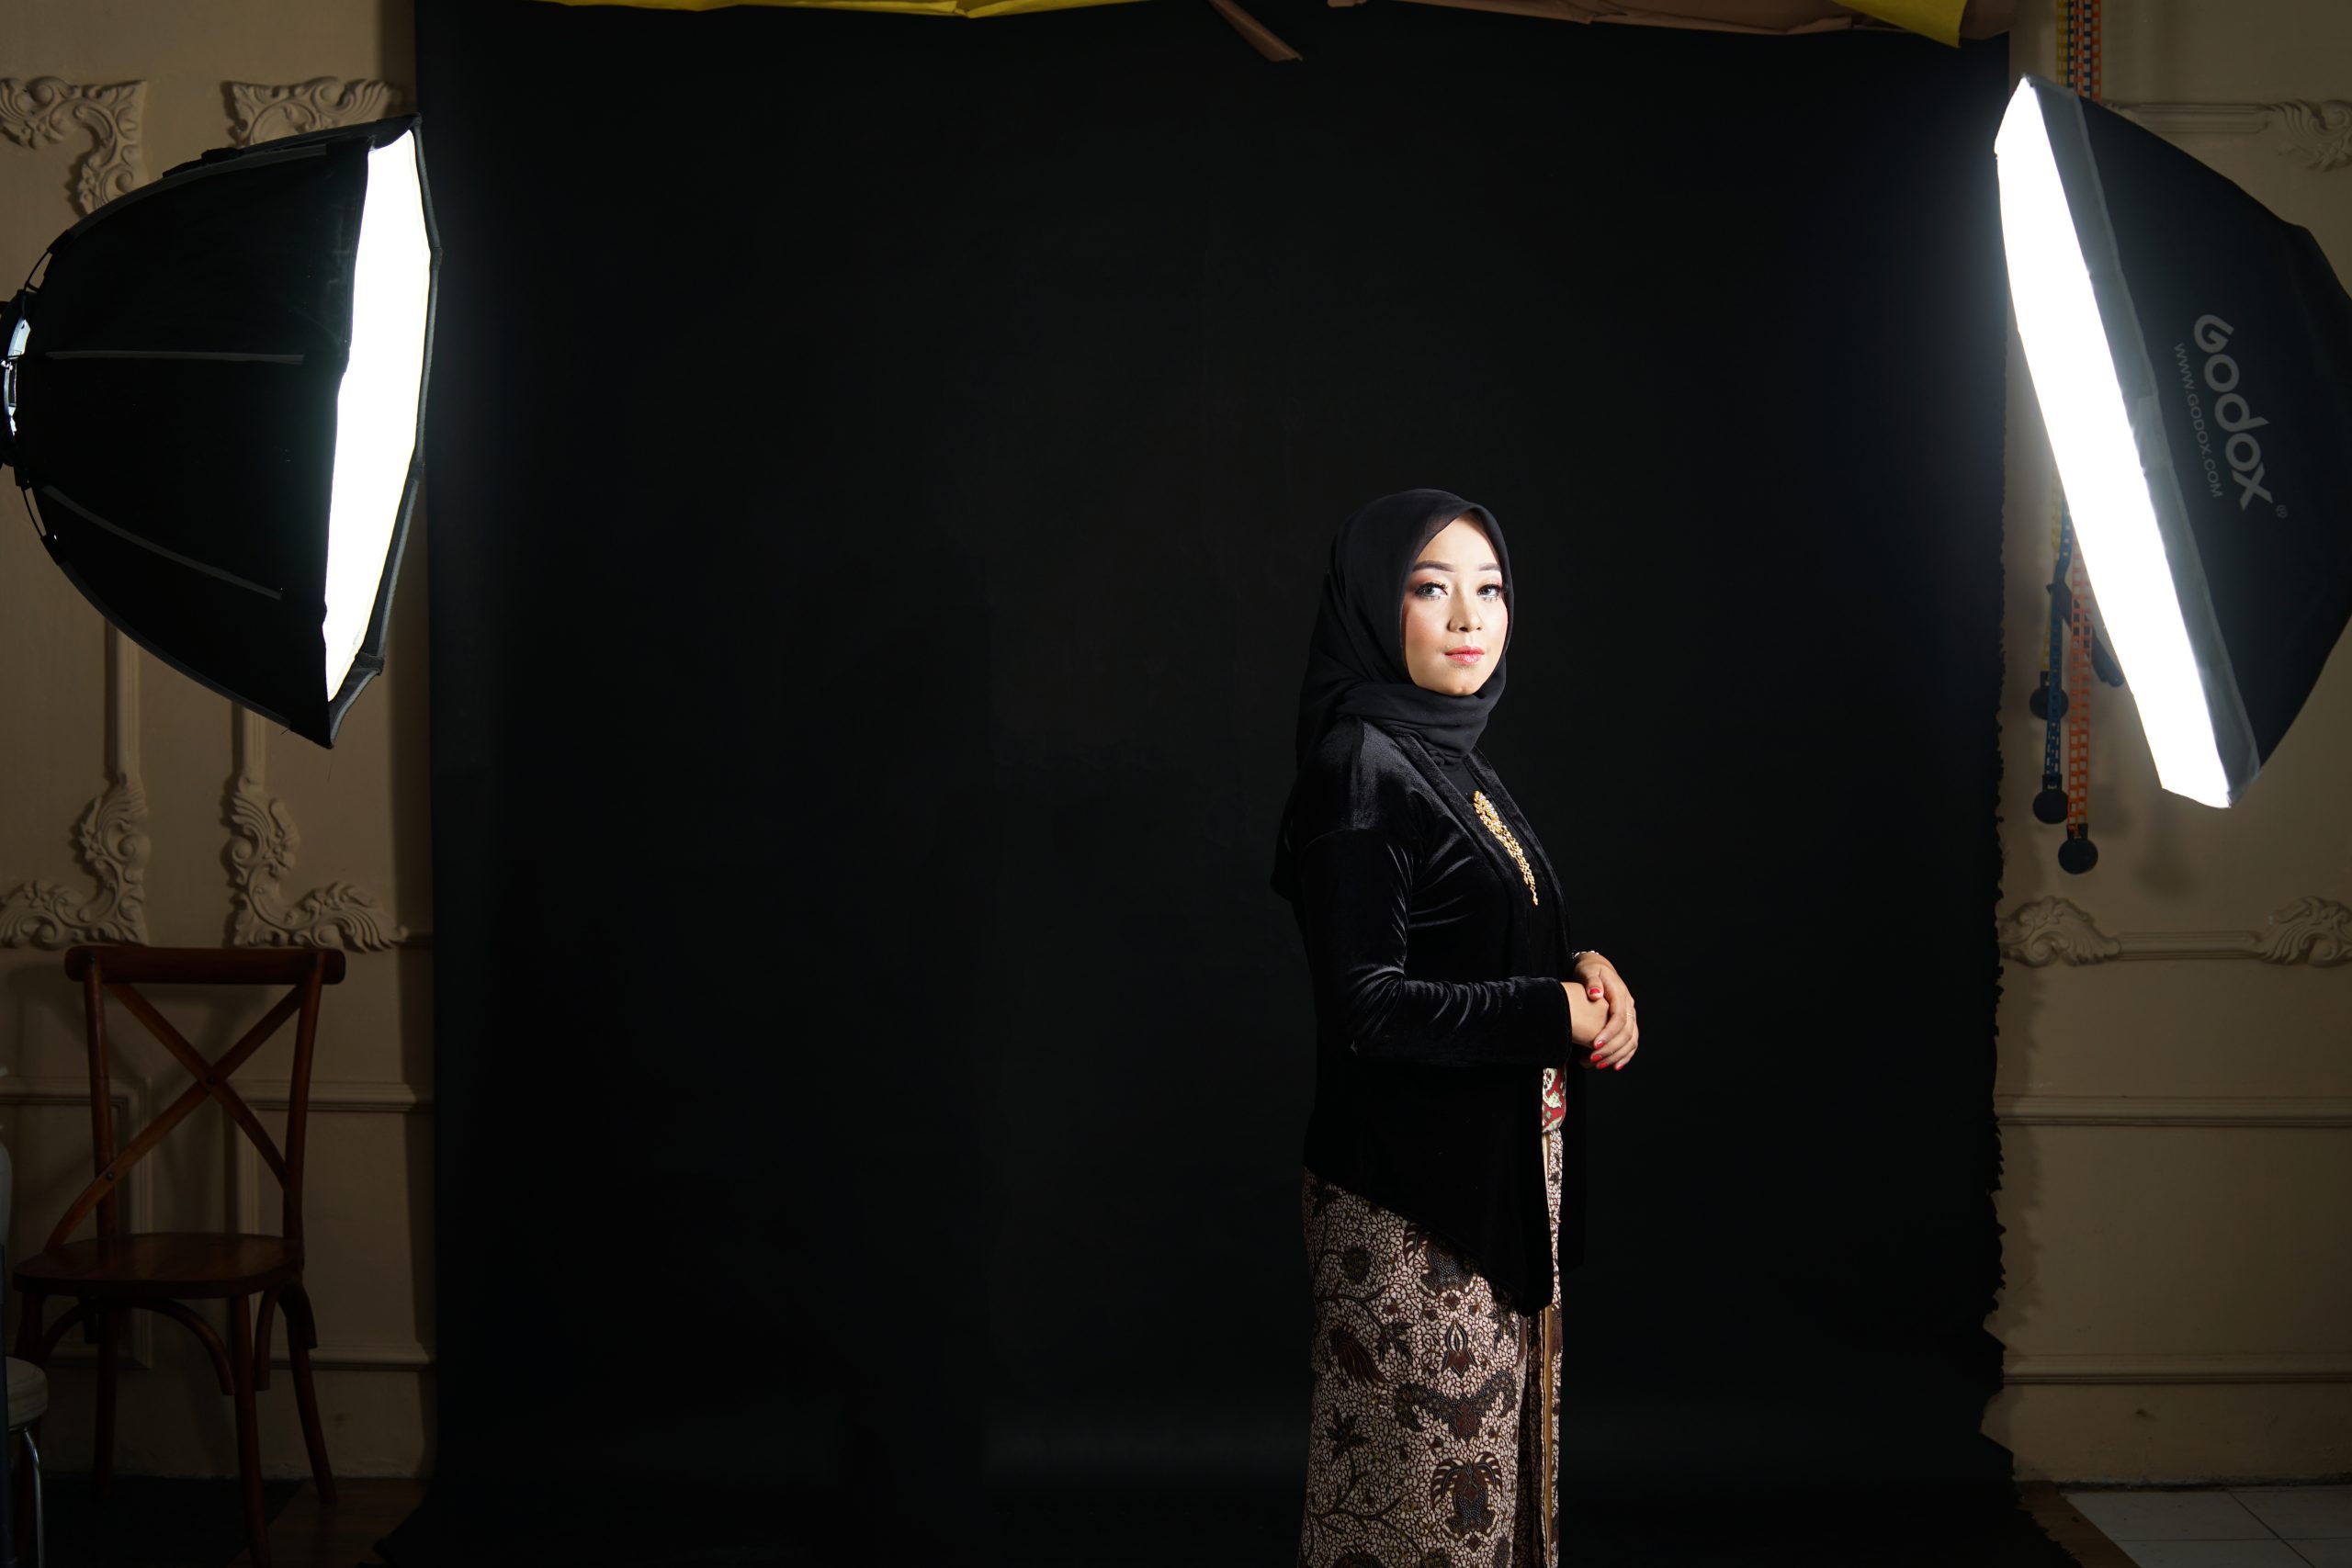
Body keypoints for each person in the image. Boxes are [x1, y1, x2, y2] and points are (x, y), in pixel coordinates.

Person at [1271, 488, 1641, 1568]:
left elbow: (1476, 931)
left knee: (1486, 1506)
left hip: (1489, 1186)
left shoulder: (1445, 758)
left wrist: (1581, 970)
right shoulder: (1360, 768)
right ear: (1374, 605)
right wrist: (1547, 1012)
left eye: (1490, 589)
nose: (1470, 618)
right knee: (1416, 1516)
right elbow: (1366, 1007)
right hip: (1410, 1207)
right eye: (1431, 589)